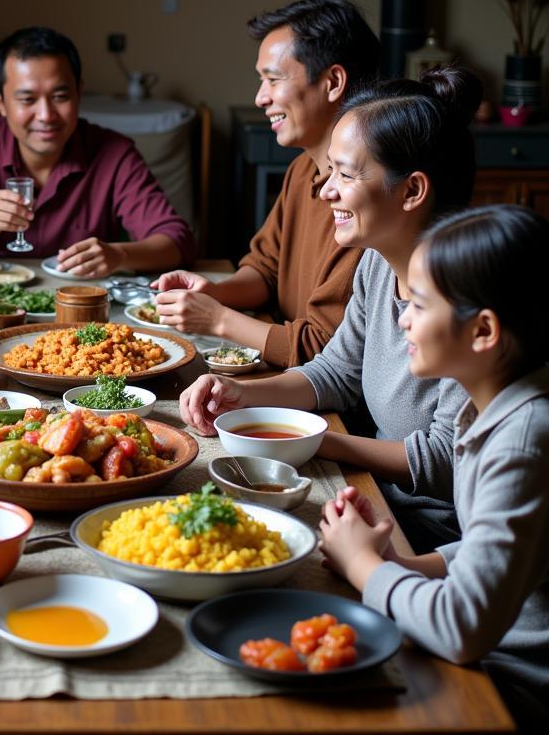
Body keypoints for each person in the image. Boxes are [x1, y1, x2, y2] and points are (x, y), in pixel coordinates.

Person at [179, 67, 483, 551]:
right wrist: (244, 395)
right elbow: (335, 374)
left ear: (412, 191)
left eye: (346, 173)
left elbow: (446, 460)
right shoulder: (377, 266)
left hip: (434, 535)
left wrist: (313, 439)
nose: (326, 191)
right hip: (373, 498)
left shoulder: (469, 304)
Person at [319, 204, 549, 730]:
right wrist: (400, 563)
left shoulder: (522, 441)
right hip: (486, 650)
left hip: (511, 681)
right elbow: (498, 548)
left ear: (484, 331)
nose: (402, 318)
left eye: (420, 305)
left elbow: (462, 628)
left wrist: (365, 569)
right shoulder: (491, 406)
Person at [153, 0, 382, 367]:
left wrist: (218, 319)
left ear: (333, 81)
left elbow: (323, 352)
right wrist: (215, 292)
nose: (260, 98)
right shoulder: (302, 170)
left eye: (273, 79)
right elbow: (265, 269)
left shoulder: (365, 198)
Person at [0, 26, 195, 278]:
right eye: (27, 99)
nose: (46, 115)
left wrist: (118, 255)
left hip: (80, 318)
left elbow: (177, 242)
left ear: (79, 93)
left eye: (60, 97)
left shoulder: (113, 152)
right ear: (0, 102)